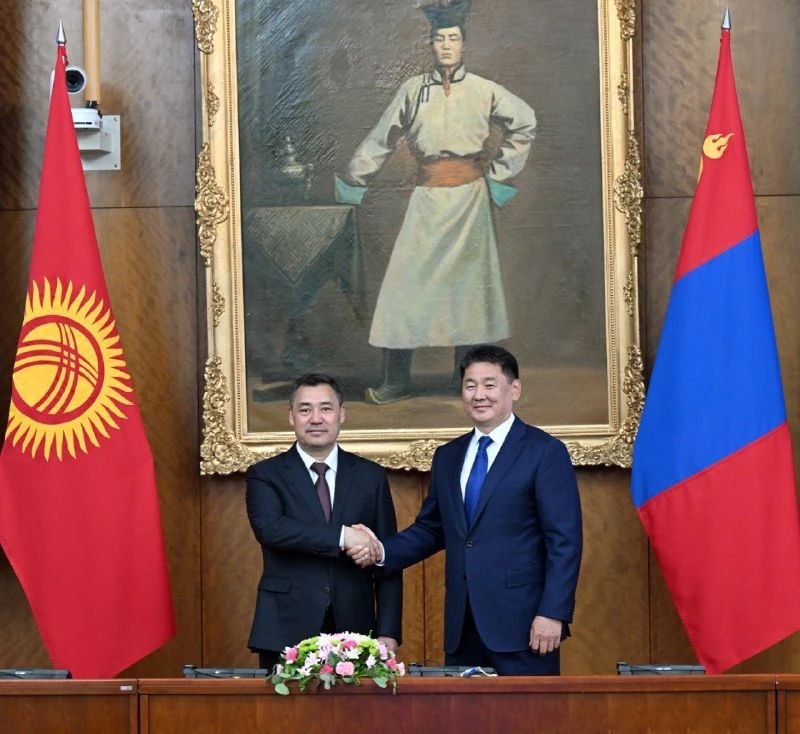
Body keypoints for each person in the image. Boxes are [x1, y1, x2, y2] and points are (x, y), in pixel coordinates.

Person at [336, 0, 537, 404]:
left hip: (470, 203)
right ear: (429, 44)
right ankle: (396, 380)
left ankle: (466, 379)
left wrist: (499, 174)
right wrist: (356, 179)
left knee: (468, 291)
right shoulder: (413, 90)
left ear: (464, 44)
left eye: (453, 38)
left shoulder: (483, 90)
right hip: (427, 200)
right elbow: (382, 137)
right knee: (405, 285)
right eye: (439, 39)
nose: (446, 46)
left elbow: (525, 121)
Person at [352, 345, 582, 675]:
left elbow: (564, 541)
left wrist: (553, 612)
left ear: (514, 389)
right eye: (470, 385)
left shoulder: (544, 452)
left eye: (490, 384)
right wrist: (380, 550)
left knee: (529, 710)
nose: (479, 395)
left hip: (525, 625)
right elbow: (432, 528)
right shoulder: (448, 456)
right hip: (463, 626)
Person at [245, 373, 402, 669]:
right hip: (285, 626)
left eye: (326, 408)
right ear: (291, 416)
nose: (316, 418)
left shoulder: (370, 476)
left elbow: (387, 557)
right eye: (305, 409)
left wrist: (389, 631)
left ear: (342, 414)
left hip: (356, 629)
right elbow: (272, 529)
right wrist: (344, 536)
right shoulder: (265, 474)